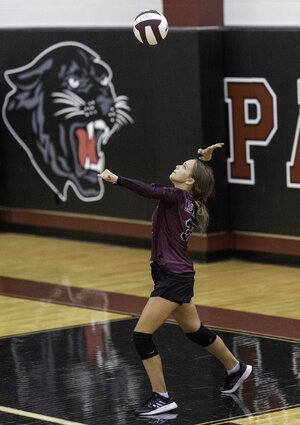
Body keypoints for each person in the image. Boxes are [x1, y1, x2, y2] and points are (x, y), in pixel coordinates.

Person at [98, 144, 252, 416]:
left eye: (184, 167)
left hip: (173, 278)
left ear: (189, 180)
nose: (178, 167)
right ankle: (235, 368)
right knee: (195, 330)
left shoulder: (176, 197)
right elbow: (198, 178)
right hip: (177, 275)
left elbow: (149, 190)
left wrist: (117, 180)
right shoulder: (190, 200)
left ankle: (162, 396)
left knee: (141, 337)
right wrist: (200, 159)